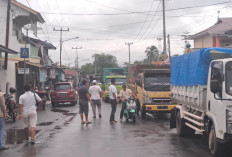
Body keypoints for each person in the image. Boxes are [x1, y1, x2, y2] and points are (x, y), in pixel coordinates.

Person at [0, 85, 8, 150]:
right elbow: (3, 105)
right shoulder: (1, 95)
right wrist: (5, 113)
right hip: (0, 116)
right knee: (2, 130)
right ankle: (2, 145)